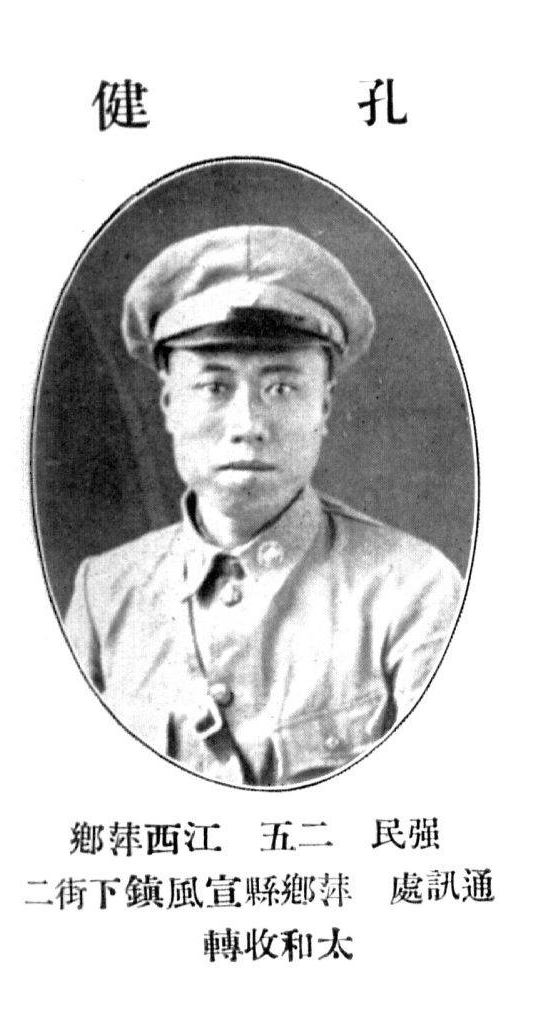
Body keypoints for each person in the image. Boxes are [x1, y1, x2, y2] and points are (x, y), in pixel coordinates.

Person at [65, 224, 463, 787]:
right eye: (214, 387)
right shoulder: (104, 593)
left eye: (281, 388)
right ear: (169, 404)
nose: (247, 425)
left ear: (323, 407)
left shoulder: (413, 592)